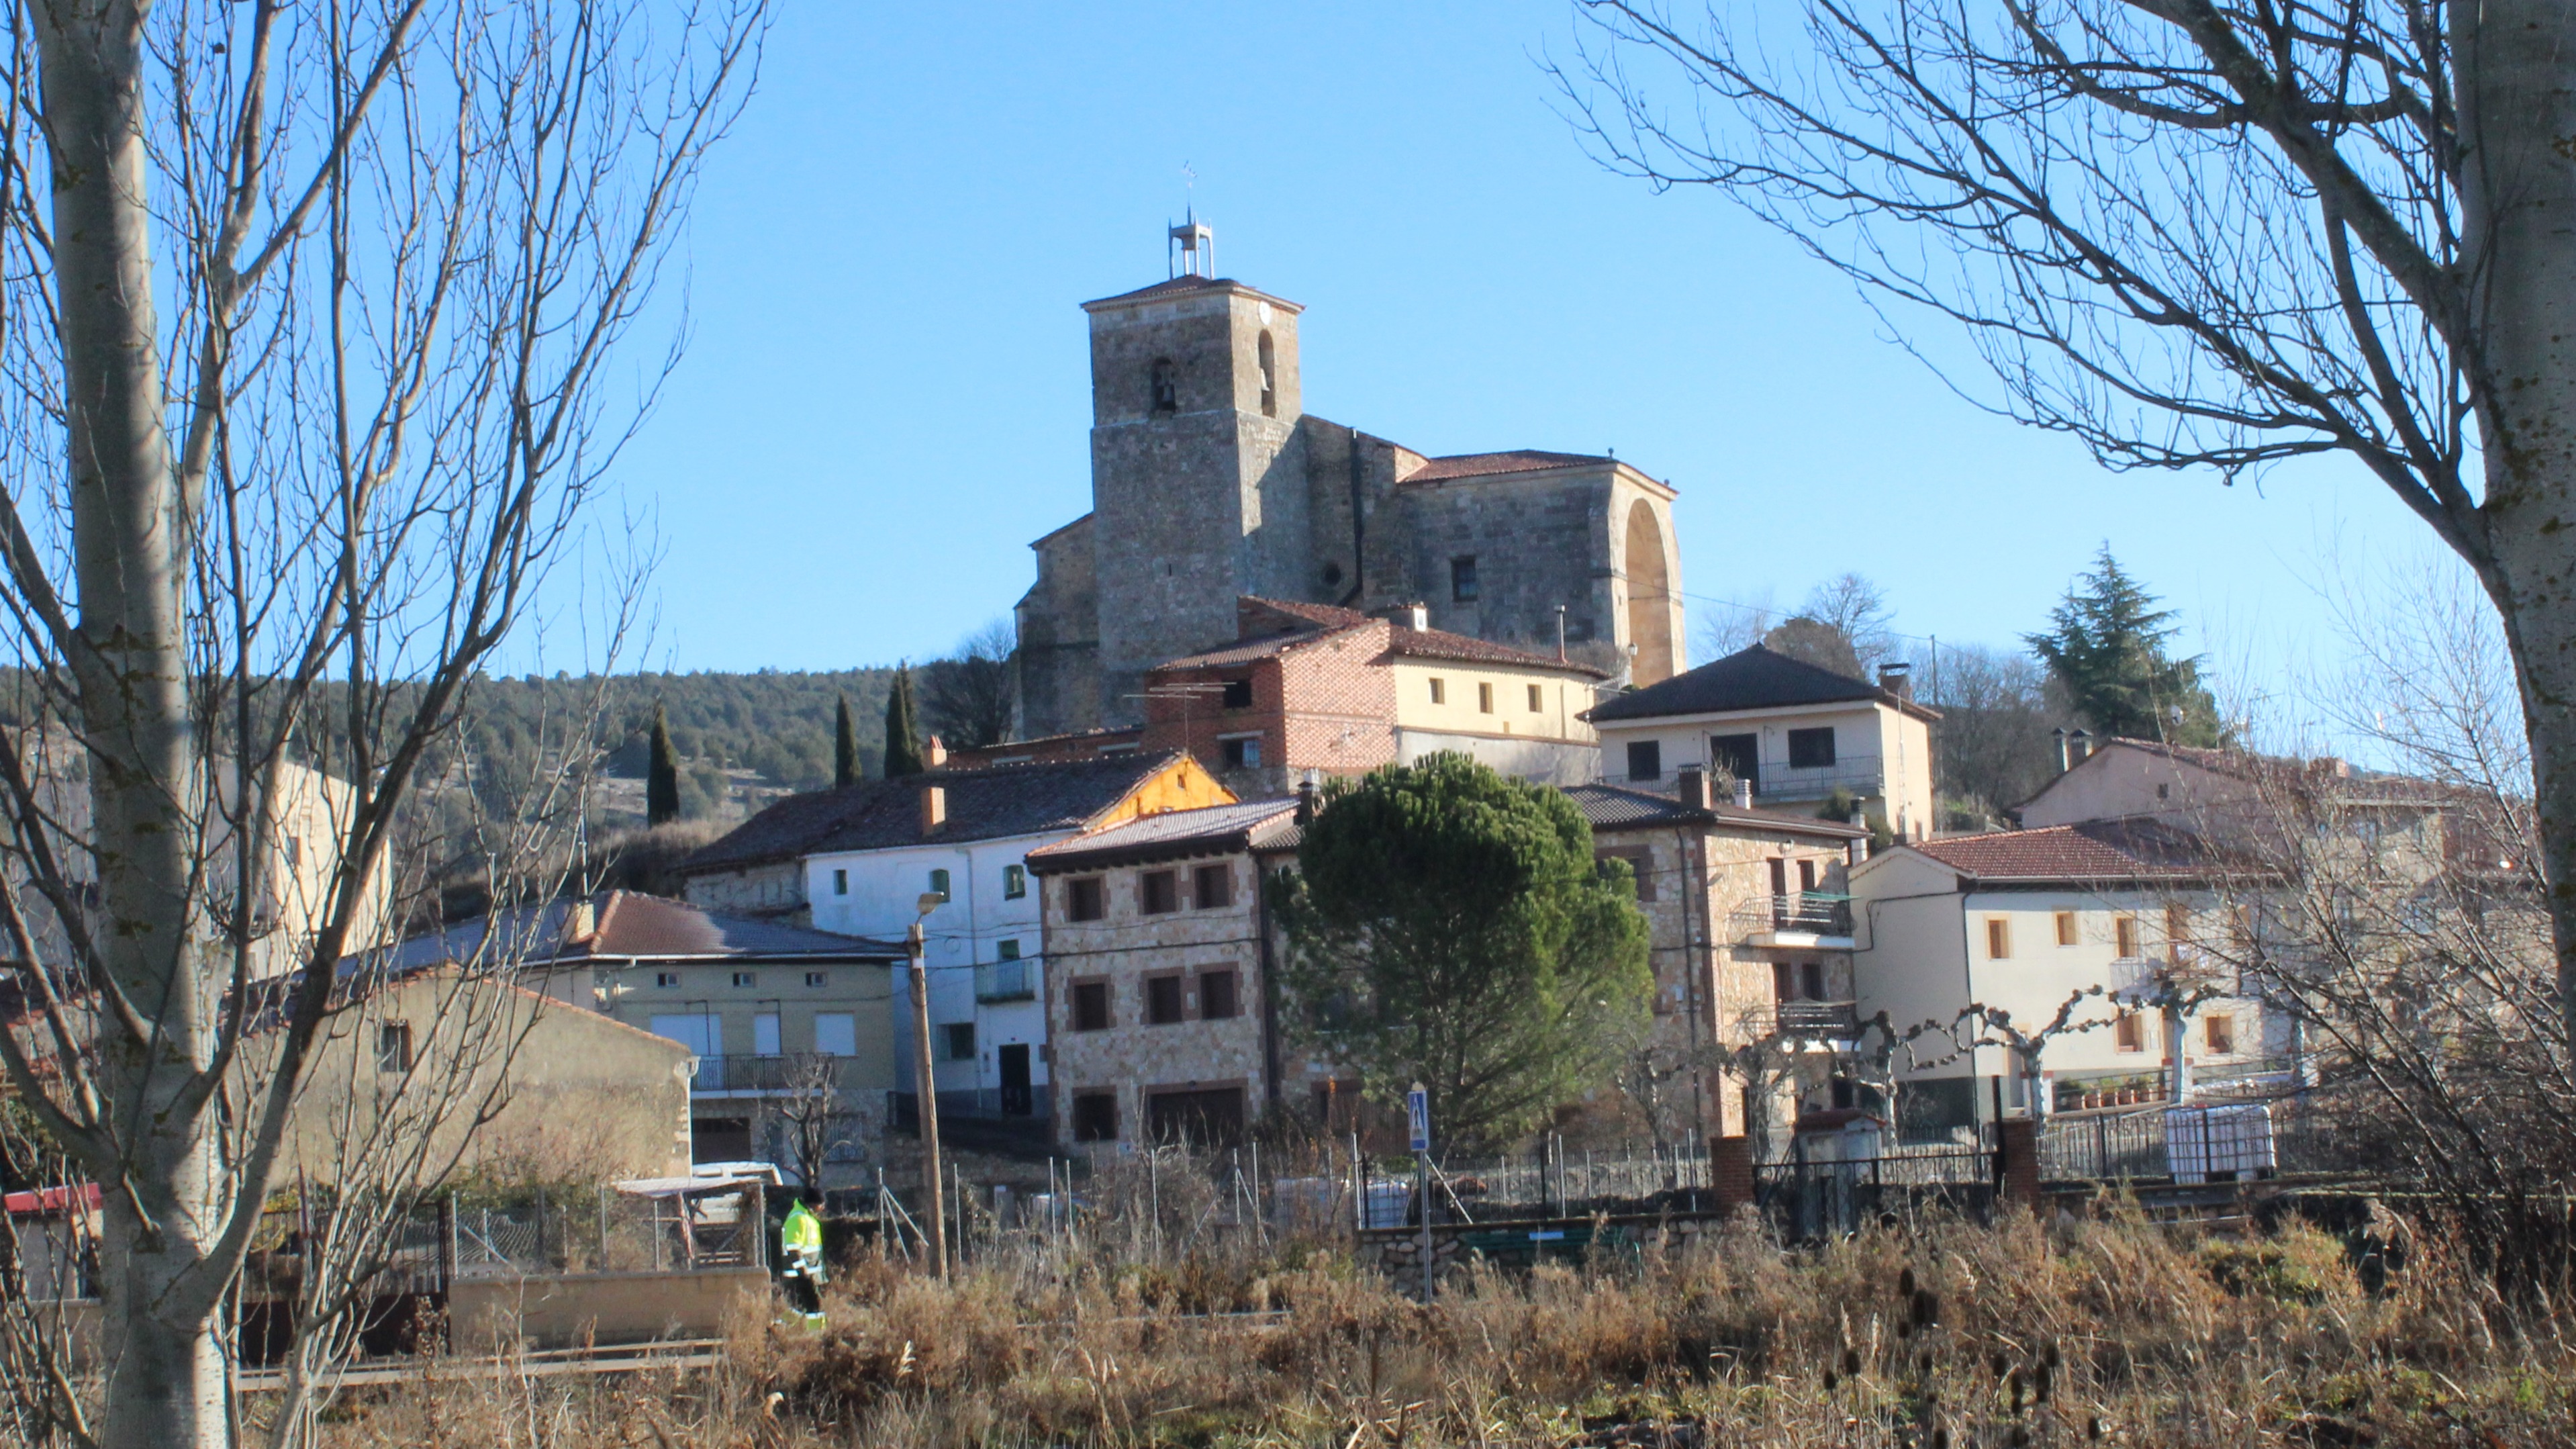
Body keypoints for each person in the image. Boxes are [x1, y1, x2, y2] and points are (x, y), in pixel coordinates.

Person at [779, 1197, 826, 1328]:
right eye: (822, 1204)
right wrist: (804, 1274)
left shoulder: (807, 1218)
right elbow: (793, 1249)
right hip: (801, 1276)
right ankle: (816, 1339)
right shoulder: (799, 1219)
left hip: (805, 1275)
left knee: (797, 1309)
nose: (823, 1208)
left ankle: (775, 1331)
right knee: (814, 1309)